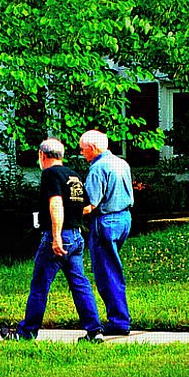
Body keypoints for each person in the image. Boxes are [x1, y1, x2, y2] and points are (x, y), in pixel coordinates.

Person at [0, 138, 105, 343]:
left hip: (58, 237)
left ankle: (26, 333)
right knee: (80, 283)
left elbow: (56, 204)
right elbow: (85, 206)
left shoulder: (50, 174)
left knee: (40, 284)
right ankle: (95, 330)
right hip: (76, 235)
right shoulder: (73, 174)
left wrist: (56, 236)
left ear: (42, 155)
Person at [79, 129, 134, 336]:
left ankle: (119, 321)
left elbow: (90, 204)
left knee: (107, 273)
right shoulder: (121, 163)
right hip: (124, 218)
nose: (82, 153)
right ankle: (120, 316)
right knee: (113, 268)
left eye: (83, 149)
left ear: (93, 148)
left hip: (105, 221)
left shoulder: (98, 168)